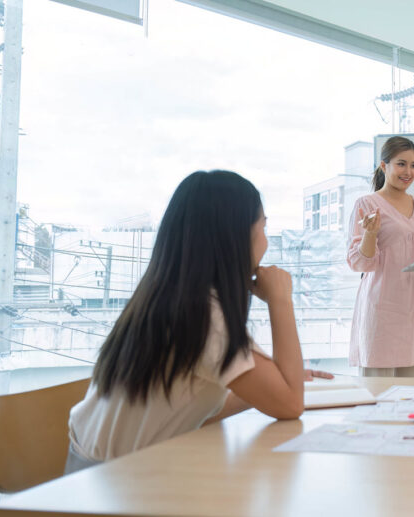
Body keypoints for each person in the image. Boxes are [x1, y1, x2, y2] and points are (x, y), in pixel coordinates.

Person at [66, 170, 330, 475]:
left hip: (96, 472)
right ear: (235, 236)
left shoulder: (167, 297)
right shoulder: (205, 316)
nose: (266, 241)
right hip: (116, 481)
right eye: (263, 227)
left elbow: (190, 410)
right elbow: (291, 405)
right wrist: (280, 299)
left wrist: (265, 385)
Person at [347, 136, 414, 378]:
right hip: (381, 307)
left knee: (408, 391)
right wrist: (370, 234)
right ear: (384, 166)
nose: (408, 172)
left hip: (413, 308)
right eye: (401, 164)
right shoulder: (367, 204)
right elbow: (359, 263)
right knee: (378, 390)